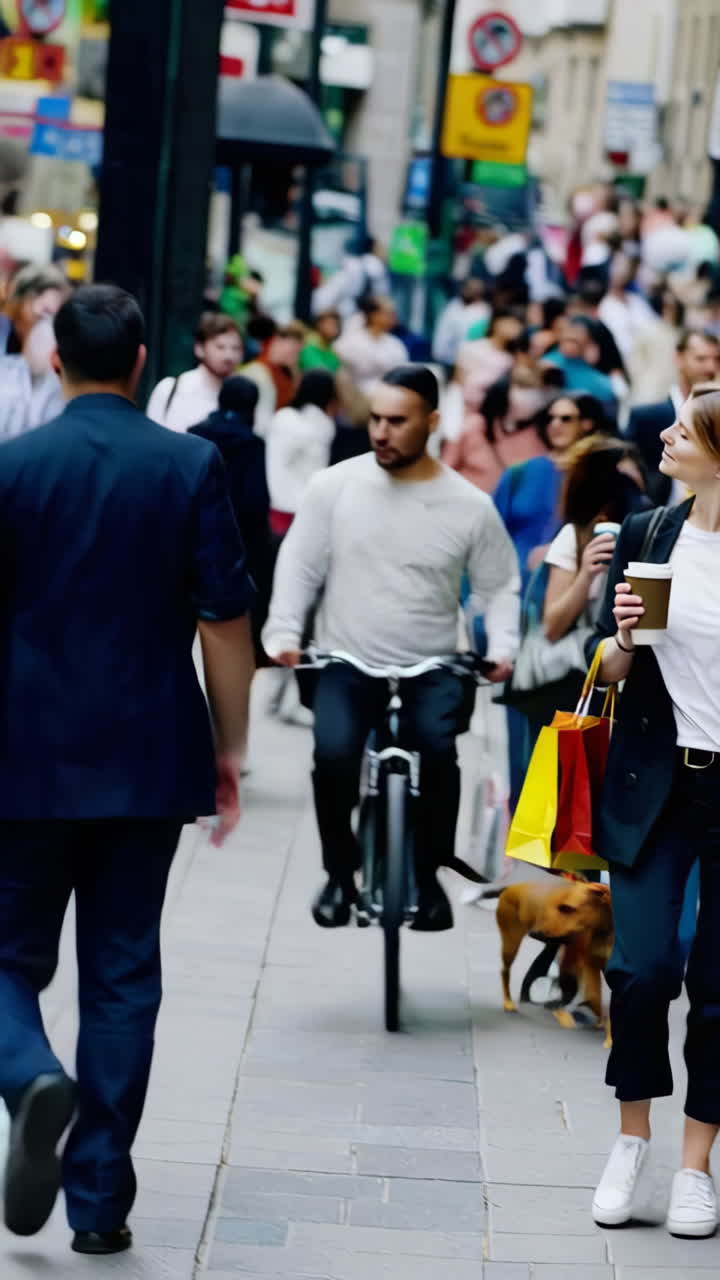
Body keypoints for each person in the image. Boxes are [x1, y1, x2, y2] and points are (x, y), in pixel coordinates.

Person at [0, 285, 255, 1254]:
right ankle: (99, 1193)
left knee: (7, 953)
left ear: (55, 359)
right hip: (147, 757)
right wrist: (229, 749)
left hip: (20, 756)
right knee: (121, 971)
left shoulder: (13, 467)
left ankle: (26, 1071)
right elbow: (225, 621)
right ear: (143, 361)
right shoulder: (190, 462)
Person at [262, 365, 519, 932]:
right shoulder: (333, 487)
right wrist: (282, 633)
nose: (381, 431)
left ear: (430, 422)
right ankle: (338, 875)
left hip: (433, 663)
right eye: (375, 419)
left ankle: (427, 881)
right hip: (346, 659)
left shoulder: (469, 505)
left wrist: (502, 646)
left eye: (397, 421)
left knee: (439, 753)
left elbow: (499, 585)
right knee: (332, 756)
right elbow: (301, 564)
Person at [589, 382, 720, 1241]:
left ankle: (694, 1166)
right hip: (655, 784)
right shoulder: (652, 532)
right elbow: (605, 669)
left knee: (718, 990)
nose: (665, 435)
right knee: (640, 974)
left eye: (686, 427)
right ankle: (631, 1141)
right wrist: (626, 636)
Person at [188, 375, 273, 662]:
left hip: (194, 534)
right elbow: (255, 502)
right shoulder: (251, 445)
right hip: (237, 542)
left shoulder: (195, 433)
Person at [543, 439, 649, 647]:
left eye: (635, 485)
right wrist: (585, 575)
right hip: (588, 663)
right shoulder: (574, 537)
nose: (631, 494)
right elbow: (551, 629)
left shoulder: (655, 532)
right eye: (622, 483)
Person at [626, 329, 720, 504]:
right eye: (701, 359)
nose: (711, 368)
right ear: (679, 358)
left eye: (717, 360)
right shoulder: (647, 418)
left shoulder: (716, 418)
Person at [442, 364, 548, 494]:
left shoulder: (537, 435)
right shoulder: (474, 426)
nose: (531, 397)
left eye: (534, 390)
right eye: (522, 387)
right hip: (467, 504)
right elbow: (446, 468)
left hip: (506, 510)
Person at [266, 369, 337, 539]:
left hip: (279, 505)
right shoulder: (325, 425)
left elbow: (275, 463)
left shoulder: (284, 418)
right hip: (308, 508)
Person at [146, 312, 243, 432]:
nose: (229, 356)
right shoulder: (169, 388)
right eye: (220, 347)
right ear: (199, 348)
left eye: (236, 348)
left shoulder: (243, 397)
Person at [0, 264, 67, 438]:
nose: (47, 325)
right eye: (44, 313)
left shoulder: (64, 376)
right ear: (19, 306)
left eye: (56, 317)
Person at [334, 297, 408, 397]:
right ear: (373, 315)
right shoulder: (351, 340)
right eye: (388, 313)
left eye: (393, 314)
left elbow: (401, 372)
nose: (393, 318)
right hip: (356, 397)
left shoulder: (396, 344)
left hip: (389, 396)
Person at [243, 317, 305, 437]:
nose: (296, 356)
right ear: (278, 341)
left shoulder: (287, 373)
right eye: (295, 351)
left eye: (298, 352)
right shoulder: (256, 372)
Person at [456, 308, 524, 409]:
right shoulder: (473, 348)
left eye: (518, 324)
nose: (515, 328)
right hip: (467, 406)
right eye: (511, 323)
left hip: (495, 411)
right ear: (496, 323)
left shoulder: (514, 356)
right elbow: (459, 381)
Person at [432, 279, 491, 368]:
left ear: (480, 292)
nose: (467, 291)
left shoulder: (483, 312)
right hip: (442, 358)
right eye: (467, 287)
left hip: (466, 362)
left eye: (472, 289)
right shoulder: (453, 304)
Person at [300, 309, 342, 374]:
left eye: (336, 325)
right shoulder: (309, 345)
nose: (334, 328)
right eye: (330, 324)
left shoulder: (331, 348)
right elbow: (318, 372)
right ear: (319, 324)